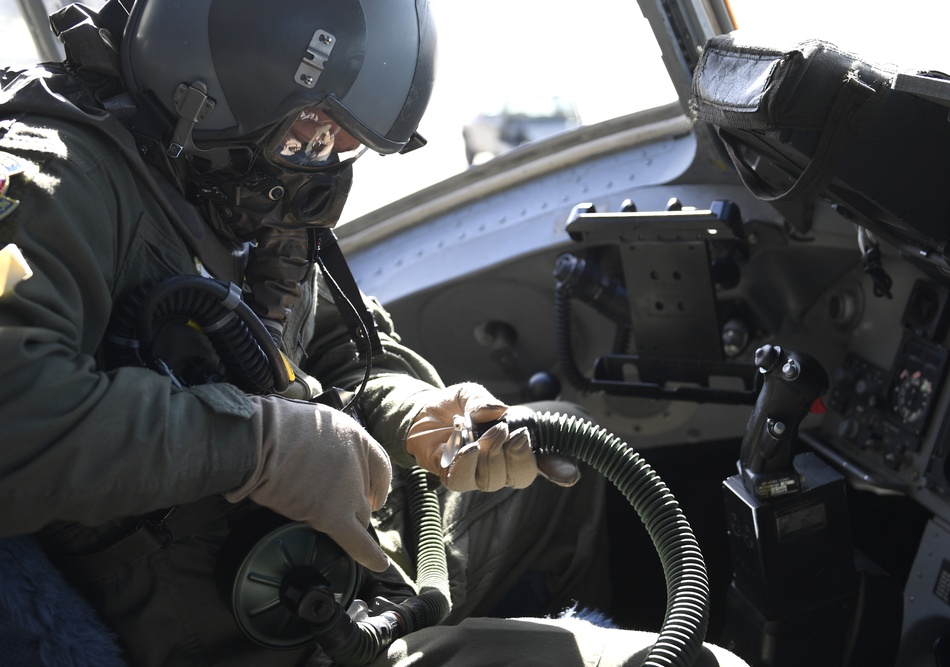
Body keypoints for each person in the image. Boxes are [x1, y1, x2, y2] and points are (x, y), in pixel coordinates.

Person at [0, 1, 747, 666]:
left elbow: (339, 349)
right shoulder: (55, 178)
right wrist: (254, 446)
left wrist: (417, 415)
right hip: (261, 627)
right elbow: (13, 414)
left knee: (560, 468)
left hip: (345, 566)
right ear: (232, 61)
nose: (328, 148)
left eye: (341, 131)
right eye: (313, 122)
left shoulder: (222, 180)